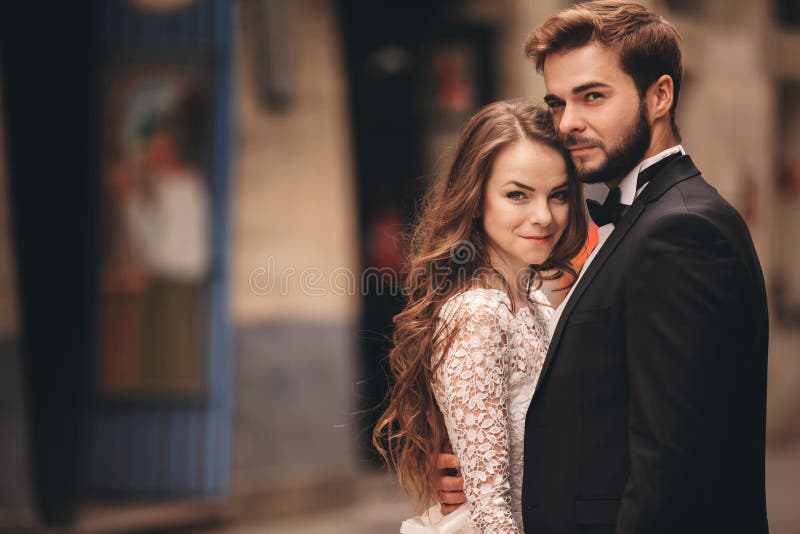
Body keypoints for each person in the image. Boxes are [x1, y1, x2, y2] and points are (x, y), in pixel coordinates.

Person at [435, 2, 770, 533]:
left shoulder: (680, 231)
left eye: (592, 96)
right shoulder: (641, 219)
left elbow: (670, 463)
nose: (568, 123)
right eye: (557, 102)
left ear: (660, 95)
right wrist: (489, 475)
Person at [372, 100, 588, 533]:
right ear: (475, 198)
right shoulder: (478, 313)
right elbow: (491, 512)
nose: (543, 216)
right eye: (517, 194)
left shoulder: (537, 302)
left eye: (558, 195)